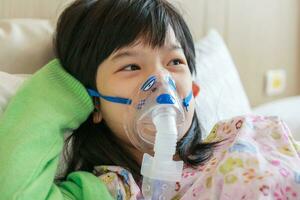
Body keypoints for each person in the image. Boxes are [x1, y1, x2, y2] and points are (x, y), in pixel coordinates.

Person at [0, 0, 299, 199]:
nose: (160, 82)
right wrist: (63, 88)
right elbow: (16, 190)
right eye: (131, 66)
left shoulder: (248, 135)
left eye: (175, 63)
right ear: (94, 101)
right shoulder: (110, 190)